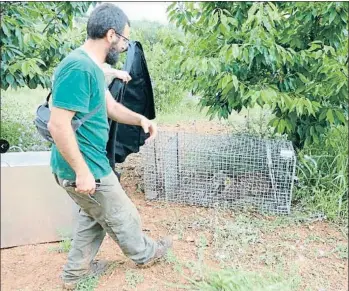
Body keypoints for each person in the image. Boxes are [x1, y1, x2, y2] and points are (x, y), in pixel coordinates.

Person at [48, 3, 173, 290]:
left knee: (93, 218)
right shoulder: (78, 67)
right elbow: (58, 125)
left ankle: (74, 275)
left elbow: (110, 107)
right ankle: (145, 254)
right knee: (121, 214)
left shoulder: (91, 66)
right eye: (125, 40)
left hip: (92, 162)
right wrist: (82, 172)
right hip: (82, 165)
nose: (125, 47)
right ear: (111, 35)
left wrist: (140, 118)